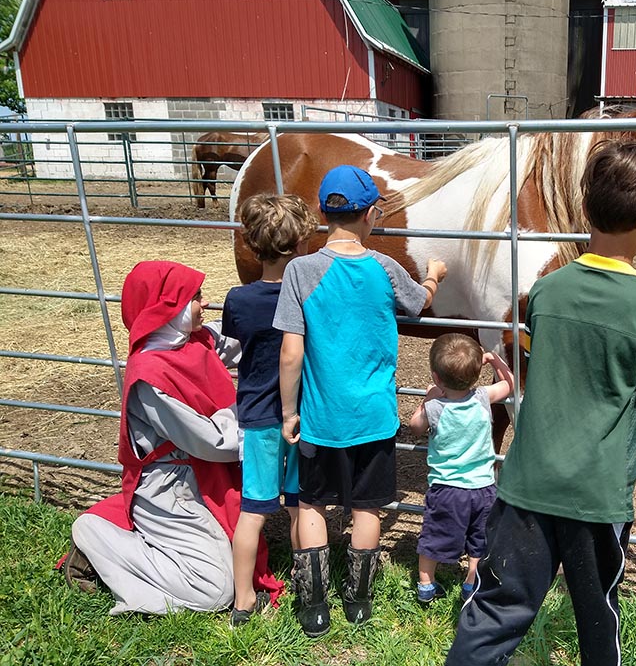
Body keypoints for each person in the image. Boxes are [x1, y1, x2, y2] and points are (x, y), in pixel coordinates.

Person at [445, 140, 636, 666]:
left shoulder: (546, 292)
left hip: (526, 485)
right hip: (597, 497)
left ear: (584, 211)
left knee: (496, 608)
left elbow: (534, 354)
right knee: (597, 612)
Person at [274, 164, 448, 636]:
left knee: (311, 505)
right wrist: (433, 276)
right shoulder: (385, 268)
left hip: (318, 418)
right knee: (367, 508)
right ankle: (359, 601)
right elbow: (418, 305)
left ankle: (313, 608)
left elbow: (291, 352)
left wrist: (289, 412)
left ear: (321, 213)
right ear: (372, 213)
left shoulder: (299, 271)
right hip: (372, 417)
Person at [63, 261, 282, 615]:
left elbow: (248, 344)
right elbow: (215, 442)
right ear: (168, 307)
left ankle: (147, 545)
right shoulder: (149, 379)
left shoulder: (193, 342)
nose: (205, 303)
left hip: (200, 475)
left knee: (231, 562)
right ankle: (93, 537)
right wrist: (259, 412)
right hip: (170, 488)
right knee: (215, 590)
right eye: (195, 297)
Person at [224, 194, 318, 626]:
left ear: (251, 245)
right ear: (300, 245)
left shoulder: (237, 300)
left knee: (252, 511)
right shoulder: (309, 297)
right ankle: (306, 589)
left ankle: (242, 601)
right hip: (300, 416)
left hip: (256, 417)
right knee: (300, 506)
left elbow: (237, 346)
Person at [407, 333, 515, 604]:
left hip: (446, 489)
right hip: (483, 487)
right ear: (476, 374)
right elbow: (510, 385)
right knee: (479, 538)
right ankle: (471, 582)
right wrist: (494, 360)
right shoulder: (482, 397)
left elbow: (415, 427)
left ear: (436, 376)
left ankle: (426, 584)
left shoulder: (435, 407)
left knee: (434, 535)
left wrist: (429, 396)